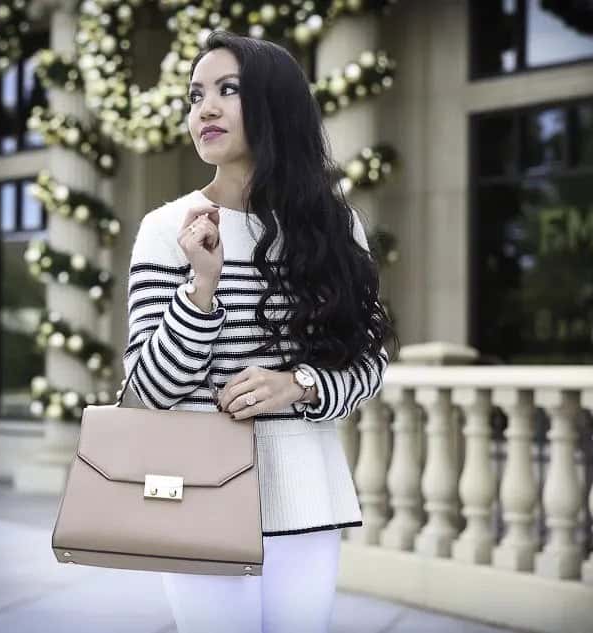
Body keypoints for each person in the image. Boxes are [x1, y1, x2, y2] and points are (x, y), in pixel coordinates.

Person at [123, 30, 398, 633]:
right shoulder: (168, 228)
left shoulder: (332, 226)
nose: (206, 109)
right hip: (197, 496)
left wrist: (298, 385)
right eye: (195, 96)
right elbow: (148, 390)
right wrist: (201, 288)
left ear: (275, 105)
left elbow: (370, 363)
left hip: (305, 493)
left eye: (229, 90)